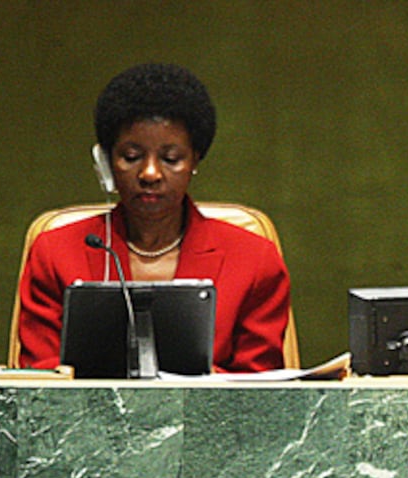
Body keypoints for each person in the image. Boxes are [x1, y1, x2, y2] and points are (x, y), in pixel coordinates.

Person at [17, 62, 291, 372]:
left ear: (195, 159)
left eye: (170, 159)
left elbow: (260, 387)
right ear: (106, 162)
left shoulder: (254, 259)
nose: (150, 173)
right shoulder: (55, 252)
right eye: (131, 157)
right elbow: (41, 378)